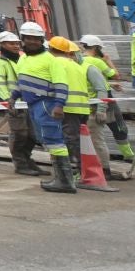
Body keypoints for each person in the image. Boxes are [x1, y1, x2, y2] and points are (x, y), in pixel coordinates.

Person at [13, 21, 74, 193]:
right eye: (29, 38)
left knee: (55, 141)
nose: (32, 42)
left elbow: (61, 84)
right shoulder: (23, 58)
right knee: (47, 140)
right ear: (23, 40)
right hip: (33, 104)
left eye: (36, 39)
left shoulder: (50, 60)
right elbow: (22, 80)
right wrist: (13, 97)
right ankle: (61, 178)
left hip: (46, 103)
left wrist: (59, 105)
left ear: (42, 41)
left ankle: (65, 181)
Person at [78, 35, 135, 164]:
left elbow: (92, 81)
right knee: (119, 126)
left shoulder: (80, 61)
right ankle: (129, 155)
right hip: (104, 99)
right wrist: (108, 61)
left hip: (90, 100)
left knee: (96, 133)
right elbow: (115, 75)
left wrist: (108, 84)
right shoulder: (97, 61)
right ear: (96, 48)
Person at [0, 30, 39, 176]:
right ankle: (21, 164)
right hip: (14, 103)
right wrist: (8, 102)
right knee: (19, 134)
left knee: (33, 135)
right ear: (2, 44)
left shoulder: (23, 58)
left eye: (17, 43)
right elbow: (0, 84)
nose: (16, 46)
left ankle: (27, 160)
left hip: (29, 101)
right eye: (12, 44)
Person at [48, 37, 94, 189]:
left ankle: (71, 173)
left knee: (69, 142)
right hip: (82, 108)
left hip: (67, 108)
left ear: (50, 49)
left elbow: (54, 84)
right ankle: (81, 171)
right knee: (79, 142)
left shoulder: (55, 63)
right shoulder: (75, 65)